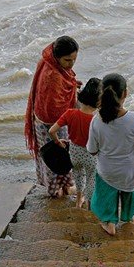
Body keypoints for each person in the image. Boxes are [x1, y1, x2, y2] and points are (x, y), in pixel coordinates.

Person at [87, 73, 134, 235]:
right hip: (129, 171)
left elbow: (92, 150)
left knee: (106, 195)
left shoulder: (96, 120)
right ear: (125, 93)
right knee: (130, 193)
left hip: (107, 171)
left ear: (102, 94)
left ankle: (109, 222)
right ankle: (130, 215)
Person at [24, 36, 82, 197]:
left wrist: (71, 87)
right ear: (57, 57)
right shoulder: (52, 76)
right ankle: (55, 191)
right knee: (54, 158)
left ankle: (64, 187)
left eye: (74, 60)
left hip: (51, 121)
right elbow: (53, 108)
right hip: (50, 124)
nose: (71, 64)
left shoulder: (50, 62)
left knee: (61, 156)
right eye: (67, 60)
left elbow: (64, 84)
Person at [49, 78, 101, 207]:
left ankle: (78, 201)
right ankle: (89, 204)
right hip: (90, 156)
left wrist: (58, 141)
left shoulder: (70, 113)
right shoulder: (97, 120)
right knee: (91, 179)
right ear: (98, 101)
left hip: (74, 154)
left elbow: (51, 130)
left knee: (78, 176)